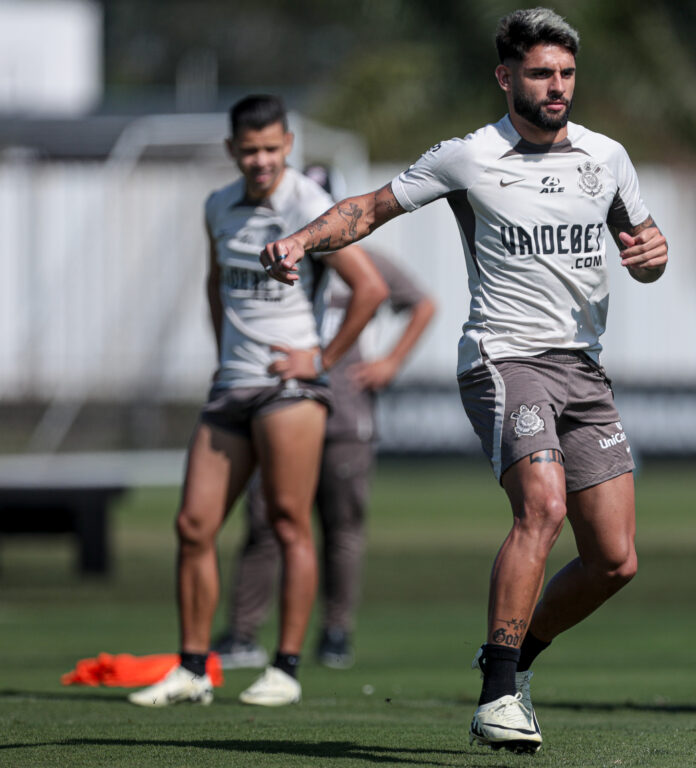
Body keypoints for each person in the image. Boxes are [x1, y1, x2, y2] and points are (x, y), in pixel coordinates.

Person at [259, 8, 668, 752]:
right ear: (506, 76)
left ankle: (513, 661)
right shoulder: (469, 156)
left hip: (582, 367)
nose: (557, 87)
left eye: (567, 73)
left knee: (615, 560)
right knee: (540, 507)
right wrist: (301, 239)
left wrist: (652, 257)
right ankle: (497, 697)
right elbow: (368, 208)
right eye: (541, 73)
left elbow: (646, 248)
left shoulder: (607, 157)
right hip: (503, 359)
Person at [127, 94, 387, 708]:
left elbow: (370, 289)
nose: (261, 160)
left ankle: (286, 667)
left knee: (288, 523)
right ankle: (193, 669)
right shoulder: (217, 206)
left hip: (289, 389)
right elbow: (217, 282)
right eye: (250, 150)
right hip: (232, 387)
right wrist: (223, 352)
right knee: (193, 525)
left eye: (272, 148)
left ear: (288, 146)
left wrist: (320, 359)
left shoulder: (310, 205)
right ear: (231, 151)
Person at [213, 164, 436, 671]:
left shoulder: (367, 261)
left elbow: (421, 304)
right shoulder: (278, 259)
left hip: (345, 413)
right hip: (284, 405)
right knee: (266, 520)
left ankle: (336, 631)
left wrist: (390, 363)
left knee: (341, 527)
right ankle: (243, 632)